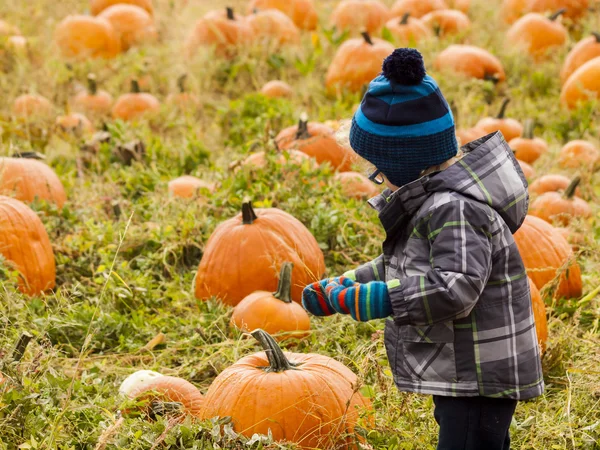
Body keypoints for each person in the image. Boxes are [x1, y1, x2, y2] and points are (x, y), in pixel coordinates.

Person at [301, 48, 543, 450]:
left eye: (377, 173)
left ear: (402, 168)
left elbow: (456, 286)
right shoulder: (434, 199)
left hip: (481, 370)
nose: (377, 182)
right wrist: (346, 285)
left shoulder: (455, 209)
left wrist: (381, 299)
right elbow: (400, 264)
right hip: (465, 364)